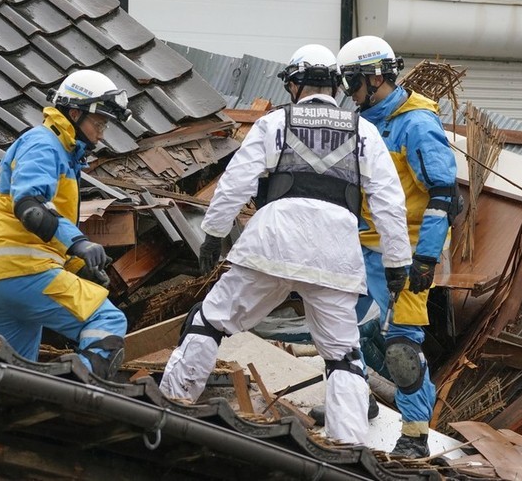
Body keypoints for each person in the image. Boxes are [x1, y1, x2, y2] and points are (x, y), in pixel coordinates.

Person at [159, 44, 412, 445]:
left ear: (294, 84)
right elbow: (388, 202)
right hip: (335, 255)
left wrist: (213, 233)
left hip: (272, 246)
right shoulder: (363, 131)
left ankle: (171, 406)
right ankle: (347, 452)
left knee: (208, 321)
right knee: (342, 358)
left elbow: (236, 182)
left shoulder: (274, 123)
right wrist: (398, 264)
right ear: (336, 85)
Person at [335, 36, 461, 458]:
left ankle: (414, 433)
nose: (349, 94)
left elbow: (444, 195)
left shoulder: (417, 124)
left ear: (374, 77)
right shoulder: (364, 122)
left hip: (406, 254)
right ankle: (356, 403)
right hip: (362, 249)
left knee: (402, 347)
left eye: (352, 84)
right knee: (338, 332)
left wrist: (425, 257)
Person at [0, 70, 132, 380]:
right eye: (99, 124)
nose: (102, 134)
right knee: (107, 322)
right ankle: (74, 399)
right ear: (74, 112)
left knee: (17, 375)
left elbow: (44, 224)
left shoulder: (59, 152)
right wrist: (79, 243)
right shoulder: (44, 144)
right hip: (22, 269)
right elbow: (31, 209)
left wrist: (78, 265)